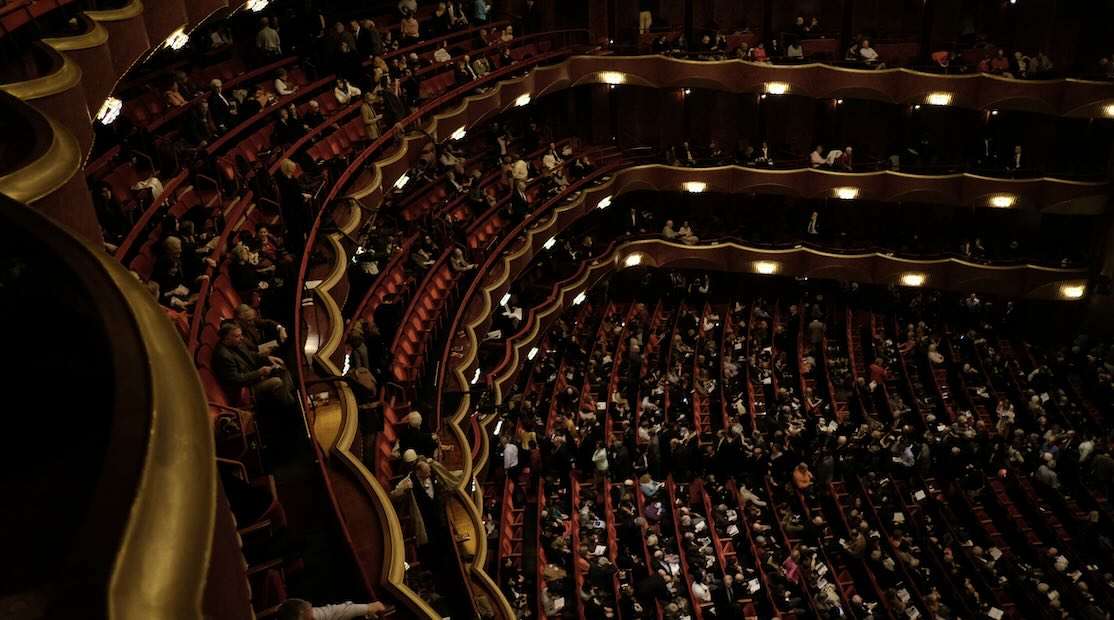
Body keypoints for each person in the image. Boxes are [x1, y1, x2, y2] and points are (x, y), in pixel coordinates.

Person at [212, 322, 296, 410]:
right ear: (226, 338)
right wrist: (259, 372)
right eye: (237, 336)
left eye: (241, 335)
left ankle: (289, 395)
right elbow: (235, 379)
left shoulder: (235, 343)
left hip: (252, 375)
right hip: (246, 388)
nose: (242, 338)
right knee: (276, 382)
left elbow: (250, 355)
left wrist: (268, 358)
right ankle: (291, 408)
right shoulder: (223, 356)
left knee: (281, 369)